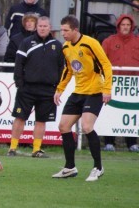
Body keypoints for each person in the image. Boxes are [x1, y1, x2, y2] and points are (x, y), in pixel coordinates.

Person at [52, 15, 113, 182]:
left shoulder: (90, 43)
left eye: (66, 30)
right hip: (78, 92)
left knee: (87, 126)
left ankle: (98, 168)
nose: (62, 33)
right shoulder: (65, 47)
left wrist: (107, 89)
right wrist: (60, 90)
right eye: (62, 29)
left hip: (94, 92)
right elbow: (69, 70)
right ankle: (69, 168)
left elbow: (106, 65)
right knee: (63, 126)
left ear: (75, 30)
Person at [7, 16, 64, 158]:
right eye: (40, 26)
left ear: (50, 27)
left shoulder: (57, 45)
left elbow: (61, 68)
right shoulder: (26, 43)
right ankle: (12, 148)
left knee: (41, 120)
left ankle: (36, 149)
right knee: (20, 117)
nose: (43, 28)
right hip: (27, 88)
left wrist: (57, 87)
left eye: (45, 26)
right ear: (36, 27)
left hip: (47, 90)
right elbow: (19, 64)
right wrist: (19, 83)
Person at [101, 14, 139, 152]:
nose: (125, 27)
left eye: (128, 25)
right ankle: (109, 142)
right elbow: (101, 60)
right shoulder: (109, 41)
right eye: (123, 24)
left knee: (132, 112)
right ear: (118, 26)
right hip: (113, 83)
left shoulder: (137, 41)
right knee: (111, 111)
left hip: (134, 84)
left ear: (132, 27)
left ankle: (132, 143)